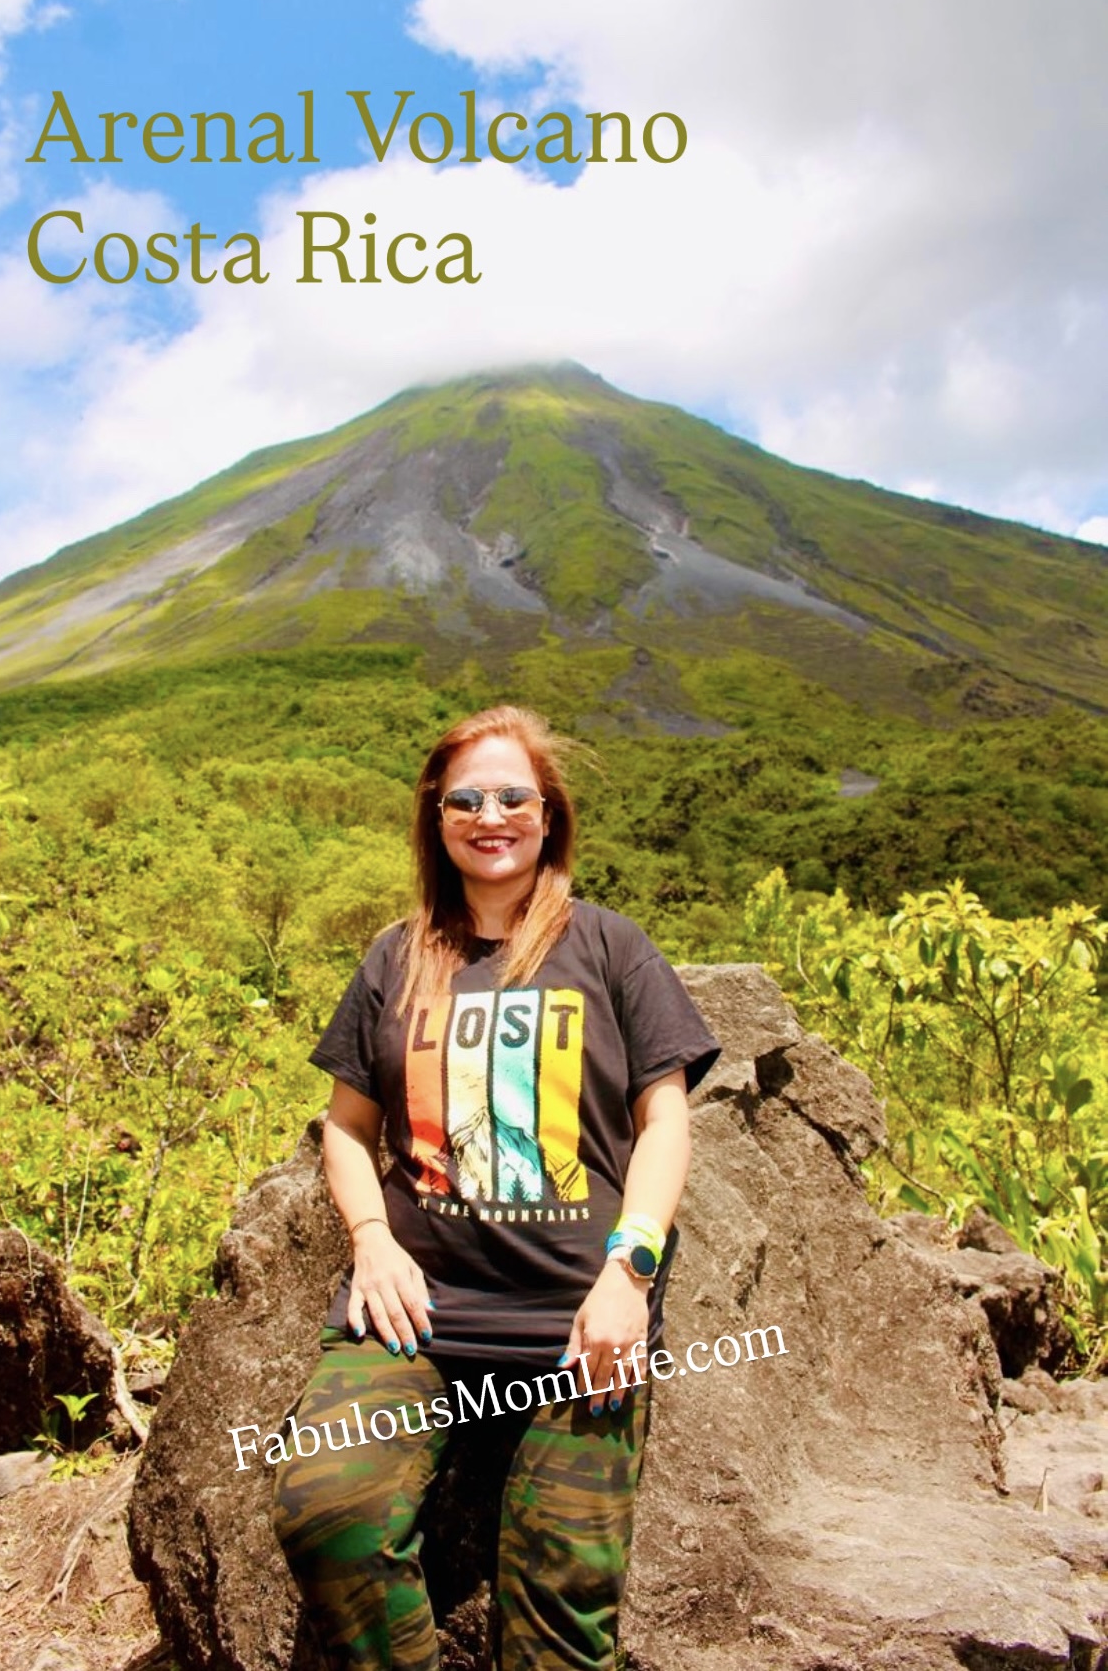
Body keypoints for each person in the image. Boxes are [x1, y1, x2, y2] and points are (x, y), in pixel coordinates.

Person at [272, 704, 719, 1671]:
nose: (491, 814)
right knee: (326, 1510)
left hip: (576, 1319)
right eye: (464, 799)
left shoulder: (608, 946)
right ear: (436, 819)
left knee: (562, 1598)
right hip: (415, 1313)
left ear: (548, 814)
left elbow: (665, 1122)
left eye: (513, 795)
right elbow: (346, 1128)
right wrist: (370, 1240)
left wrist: (628, 1274)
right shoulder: (398, 955)